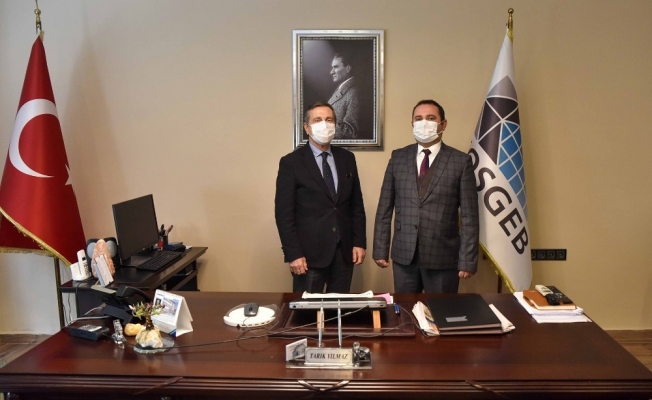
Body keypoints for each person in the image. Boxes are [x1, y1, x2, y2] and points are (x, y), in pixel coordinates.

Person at [372, 99, 479, 293]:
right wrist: (380, 249)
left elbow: (470, 217)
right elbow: (384, 208)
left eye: (431, 118)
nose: (424, 123)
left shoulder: (461, 162)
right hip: (404, 255)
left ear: (443, 124)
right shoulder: (398, 158)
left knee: (442, 310)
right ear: (412, 123)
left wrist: (468, 260)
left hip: (443, 257)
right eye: (418, 118)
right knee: (405, 311)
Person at [275, 102, 367, 293]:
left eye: (329, 119)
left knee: (339, 308)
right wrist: (294, 254)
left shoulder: (347, 158)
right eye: (317, 120)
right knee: (307, 309)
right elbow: (284, 214)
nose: (324, 124)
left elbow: (356, 205)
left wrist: (359, 242)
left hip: (344, 252)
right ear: (306, 127)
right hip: (308, 257)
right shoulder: (291, 162)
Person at [328, 53, 361, 139]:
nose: (331, 72)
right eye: (332, 67)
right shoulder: (341, 89)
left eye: (336, 67)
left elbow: (350, 132)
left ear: (348, 68)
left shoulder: (353, 93)